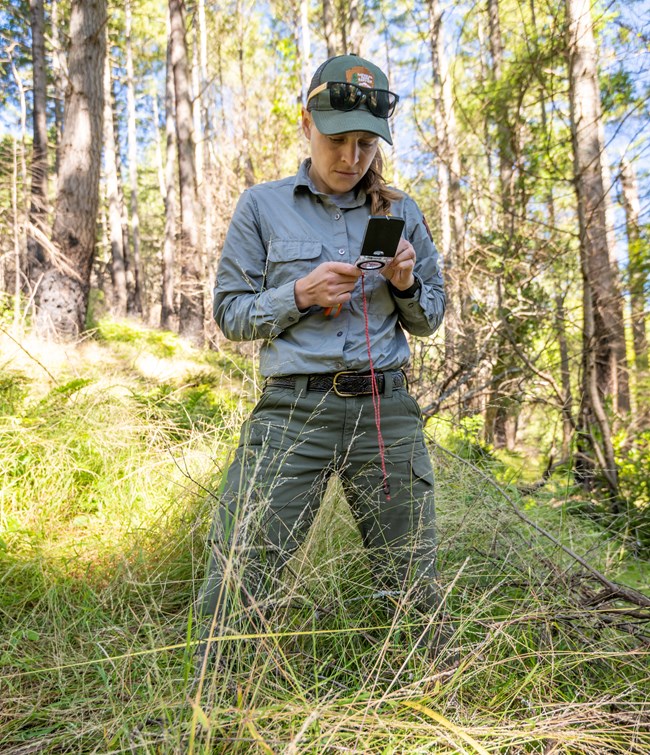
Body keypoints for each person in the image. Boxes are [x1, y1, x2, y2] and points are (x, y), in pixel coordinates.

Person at [195, 54, 448, 670]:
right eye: (338, 139)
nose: (351, 157)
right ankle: (212, 701)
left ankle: (428, 695)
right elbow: (229, 315)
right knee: (241, 575)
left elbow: (431, 318)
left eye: (366, 143)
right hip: (291, 413)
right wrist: (298, 295)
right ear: (306, 122)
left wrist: (408, 283)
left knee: (411, 583)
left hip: (386, 415)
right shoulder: (261, 206)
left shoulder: (400, 211)